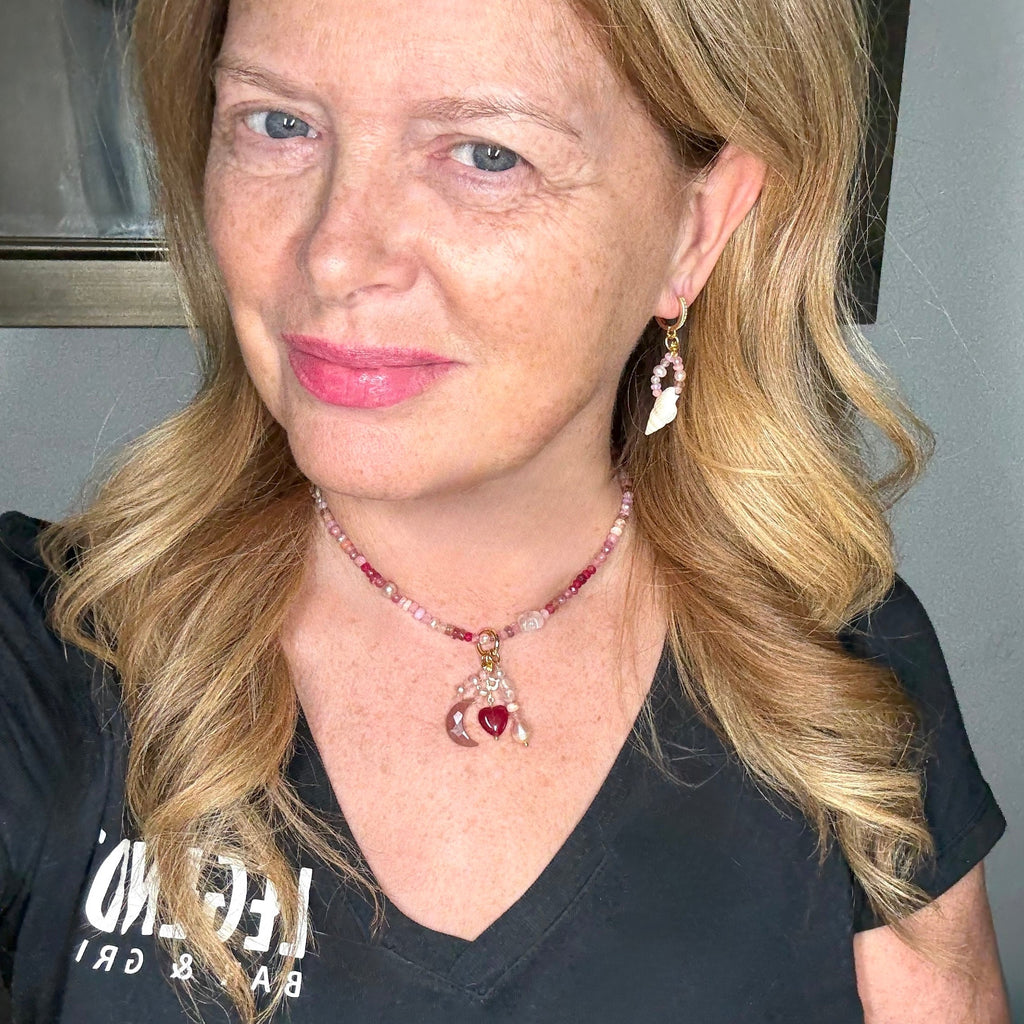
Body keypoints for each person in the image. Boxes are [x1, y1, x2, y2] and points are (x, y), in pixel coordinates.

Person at [0, 0, 1011, 1021]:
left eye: (487, 154)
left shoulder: (840, 678)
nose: (335, 255)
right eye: (279, 124)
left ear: (696, 228)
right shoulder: (45, 648)